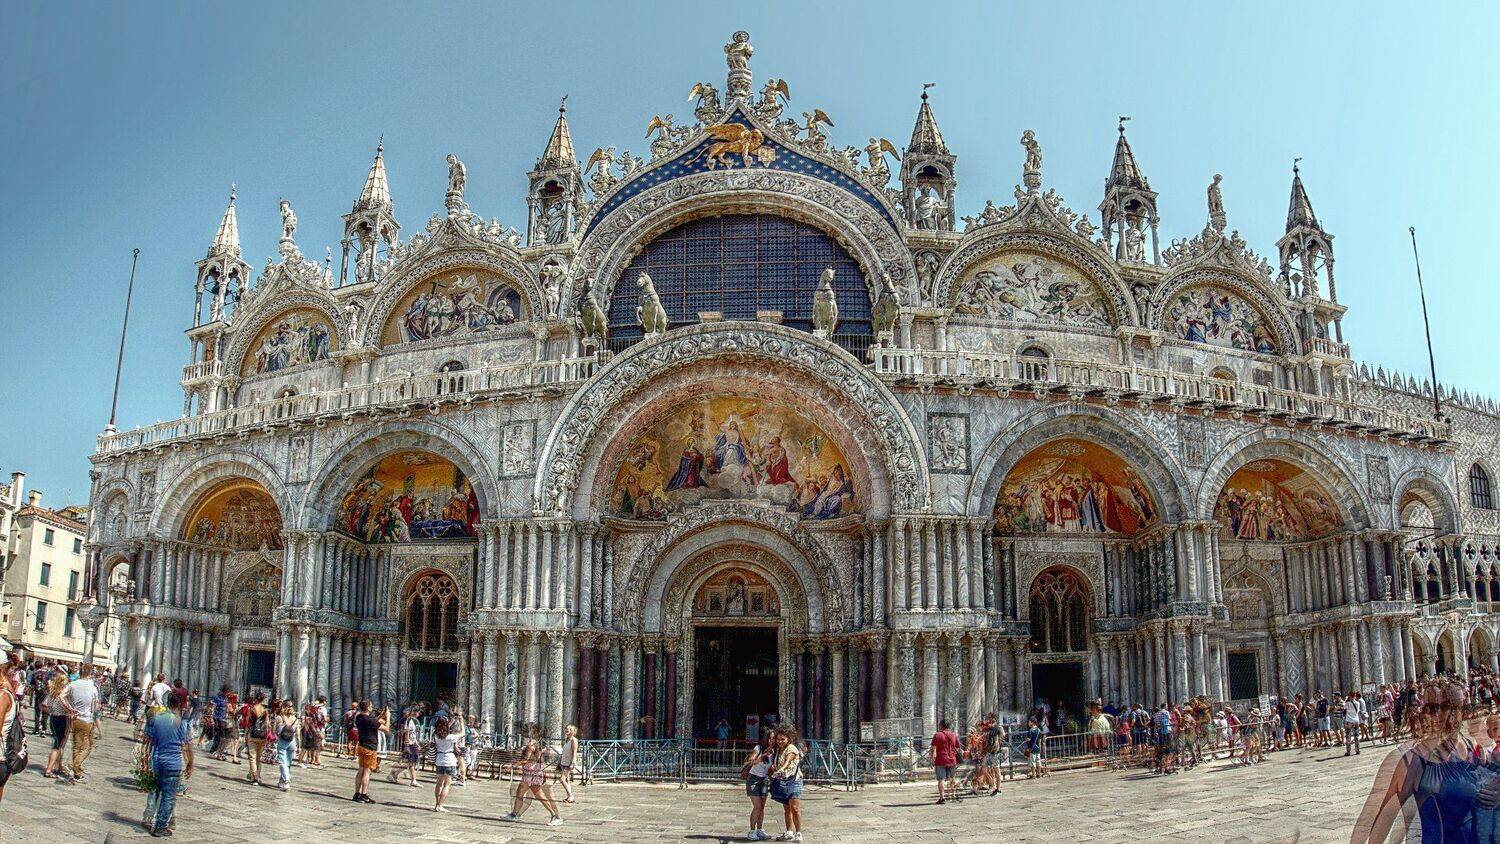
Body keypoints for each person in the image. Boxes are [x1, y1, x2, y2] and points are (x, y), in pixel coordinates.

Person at [143, 688, 194, 838]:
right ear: (180, 705)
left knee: (156, 791)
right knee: (169, 796)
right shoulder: (182, 722)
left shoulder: (157, 718)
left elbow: (150, 740)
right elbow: (187, 745)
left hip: (157, 761)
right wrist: (191, 763)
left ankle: (149, 818)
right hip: (173, 763)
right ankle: (160, 826)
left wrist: (147, 759)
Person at [502, 739, 563, 825]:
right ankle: (514, 814)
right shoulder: (535, 748)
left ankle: (555, 816)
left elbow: (526, 760)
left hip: (533, 775)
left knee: (540, 796)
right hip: (528, 774)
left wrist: (512, 766)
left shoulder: (532, 747)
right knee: (519, 794)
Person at [61, 664, 100, 782]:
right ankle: (73, 765)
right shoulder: (93, 686)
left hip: (75, 718)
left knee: (76, 746)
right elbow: (96, 706)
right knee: (87, 747)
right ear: (91, 673)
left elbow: (61, 696)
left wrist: (69, 708)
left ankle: (77, 773)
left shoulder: (73, 684)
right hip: (87, 719)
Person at [767, 726, 804, 841]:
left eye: (782, 739)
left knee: (795, 808)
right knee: (787, 808)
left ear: (788, 739)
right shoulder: (778, 751)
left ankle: (798, 832)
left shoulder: (791, 748)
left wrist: (781, 769)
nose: (780, 741)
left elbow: (788, 761)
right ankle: (789, 831)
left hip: (794, 781)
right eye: (778, 739)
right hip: (783, 782)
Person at [742, 739, 774, 840]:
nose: (771, 740)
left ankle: (759, 830)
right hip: (754, 779)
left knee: (762, 807)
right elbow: (750, 761)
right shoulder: (759, 748)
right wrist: (761, 758)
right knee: (757, 806)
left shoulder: (775, 751)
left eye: (774, 738)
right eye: (769, 738)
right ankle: (752, 831)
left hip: (764, 779)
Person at [42, 670, 70, 779]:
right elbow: (66, 707)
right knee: (57, 746)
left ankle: (59, 766)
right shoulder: (62, 694)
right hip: (61, 719)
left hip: (53, 718)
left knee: (59, 744)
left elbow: (43, 705)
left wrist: (51, 711)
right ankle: (49, 769)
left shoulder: (52, 692)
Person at [352, 700, 381, 803]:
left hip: (361, 745)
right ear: (368, 707)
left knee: (361, 770)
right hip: (370, 747)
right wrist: (388, 716)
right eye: (371, 705)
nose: (372, 707)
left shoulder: (359, 717)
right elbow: (386, 729)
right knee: (367, 772)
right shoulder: (370, 720)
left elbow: (372, 722)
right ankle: (364, 794)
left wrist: (380, 716)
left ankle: (357, 793)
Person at [431, 715, 461, 812]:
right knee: (447, 784)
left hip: (439, 759)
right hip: (449, 760)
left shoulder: (435, 735)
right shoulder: (450, 737)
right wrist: (461, 722)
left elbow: (442, 728)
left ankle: (436, 804)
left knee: (439, 784)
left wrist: (450, 722)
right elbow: (462, 733)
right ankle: (441, 805)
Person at [929, 718, 960, 804]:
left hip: (941, 759)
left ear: (941, 725)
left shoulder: (937, 735)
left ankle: (942, 798)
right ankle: (953, 795)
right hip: (952, 759)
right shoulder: (954, 735)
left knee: (941, 779)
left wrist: (932, 760)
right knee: (952, 778)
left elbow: (933, 749)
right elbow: (957, 747)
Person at [388, 707, 420, 787]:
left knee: (409, 762)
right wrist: (407, 745)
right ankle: (413, 780)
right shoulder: (409, 720)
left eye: (417, 712)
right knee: (410, 762)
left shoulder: (414, 721)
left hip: (413, 743)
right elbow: (407, 733)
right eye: (415, 711)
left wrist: (416, 743)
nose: (416, 713)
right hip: (409, 744)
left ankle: (394, 772)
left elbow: (413, 734)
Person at [244, 693, 270, 786]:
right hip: (262, 736)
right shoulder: (265, 710)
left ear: (255, 699)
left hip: (253, 734)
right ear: (263, 700)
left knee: (252, 757)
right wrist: (267, 737)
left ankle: (254, 777)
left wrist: (246, 735)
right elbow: (267, 724)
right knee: (259, 757)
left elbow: (248, 723)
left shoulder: (252, 709)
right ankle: (258, 776)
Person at [274, 700, 298, 791]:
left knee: (282, 762)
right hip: (292, 741)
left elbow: (274, 730)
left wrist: (276, 737)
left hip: (282, 741)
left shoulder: (279, 718)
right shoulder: (295, 719)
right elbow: (298, 733)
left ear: (283, 706)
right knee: (288, 762)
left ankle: (286, 781)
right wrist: (299, 746)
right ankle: (282, 781)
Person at [557, 724, 578, 803]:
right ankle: (569, 796)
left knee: (562, 779)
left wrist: (572, 762)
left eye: (567, 730)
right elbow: (564, 751)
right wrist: (560, 760)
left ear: (571, 731)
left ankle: (571, 795)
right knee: (567, 780)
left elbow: (574, 752)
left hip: (569, 763)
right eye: (565, 730)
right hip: (564, 762)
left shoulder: (574, 740)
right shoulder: (567, 740)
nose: (566, 731)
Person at [1345, 690, 1367, 757]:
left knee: (1348, 737)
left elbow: (1345, 709)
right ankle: (1357, 750)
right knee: (1356, 736)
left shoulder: (1347, 703)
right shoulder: (1358, 703)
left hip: (1349, 721)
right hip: (1356, 721)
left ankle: (1348, 751)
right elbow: (1357, 711)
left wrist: (1346, 700)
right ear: (1355, 696)